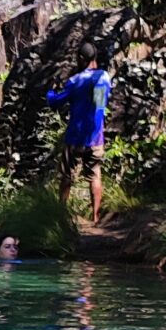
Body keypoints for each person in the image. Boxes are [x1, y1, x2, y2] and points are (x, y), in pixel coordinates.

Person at [48, 55, 113, 225]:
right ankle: (96, 217)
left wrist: (51, 91)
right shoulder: (104, 77)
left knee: (67, 176)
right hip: (96, 137)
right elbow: (101, 104)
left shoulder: (75, 81)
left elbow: (55, 103)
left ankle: (61, 214)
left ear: (82, 59)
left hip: (75, 137)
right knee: (95, 175)